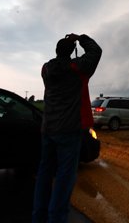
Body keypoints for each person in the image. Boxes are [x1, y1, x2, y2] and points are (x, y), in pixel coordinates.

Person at [32, 33, 102, 223]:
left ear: (56, 50)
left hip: (48, 130)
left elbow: (60, 62)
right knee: (65, 177)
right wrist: (80, 38)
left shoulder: (45, 69)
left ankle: (38, 217)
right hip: (69, 131)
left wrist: (69, 44)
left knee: (45, 173)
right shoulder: (77, 69)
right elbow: (96, 51)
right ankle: (56, 218)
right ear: (72, 52)